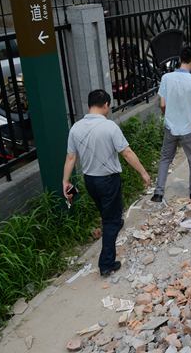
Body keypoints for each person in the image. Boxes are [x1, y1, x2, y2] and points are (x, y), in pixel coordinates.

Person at [63, 89, 151, 277]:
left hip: (90, 181)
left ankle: (114, 223)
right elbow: (126, 152)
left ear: (89, 105)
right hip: (108, 180)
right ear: (105, 105)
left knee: (107, 212)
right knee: (111, 220)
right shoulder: (110, 127)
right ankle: (106, 263)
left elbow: (71, 158)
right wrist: (143, 173)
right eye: (108, 106)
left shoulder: (75, 128)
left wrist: (65, 181)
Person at [151, 46, 191, 203]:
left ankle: (158, 193)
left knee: (165, 158)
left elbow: (162, 104)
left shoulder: (166, 78)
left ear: (179, 60)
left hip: (170, 127)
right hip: (188, 129)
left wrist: (168, 117)